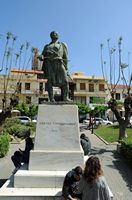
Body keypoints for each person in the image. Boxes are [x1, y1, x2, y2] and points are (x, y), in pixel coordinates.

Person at [38, 31, 70, 102]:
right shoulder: (47, 46)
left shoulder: (62, 45)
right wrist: (41, 56)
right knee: (49, 81)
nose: (54, 34)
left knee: (65, 81)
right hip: (49, 64)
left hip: (59, 63)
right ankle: (51, 99)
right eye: (52, 34)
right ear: (50, 36)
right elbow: (42, 54)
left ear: (58, 35)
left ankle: (65, 97)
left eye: (56, 33)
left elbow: (66, 57)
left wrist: (66, 68)